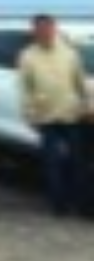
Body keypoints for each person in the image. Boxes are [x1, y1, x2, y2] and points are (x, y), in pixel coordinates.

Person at [18, 13, 91, 216]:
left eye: (47, 27)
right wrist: (29, 115)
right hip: (46, 117)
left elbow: (80, 82)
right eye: (39, 28)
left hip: (72, 115)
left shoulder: (70, 53)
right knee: (53, 163)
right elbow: (24, 88)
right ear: (34, 31)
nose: (44, 32)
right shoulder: (27, 56)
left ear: (54, 28)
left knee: (77, 162)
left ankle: (82, 204)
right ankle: (59, 205)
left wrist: (87, 106)